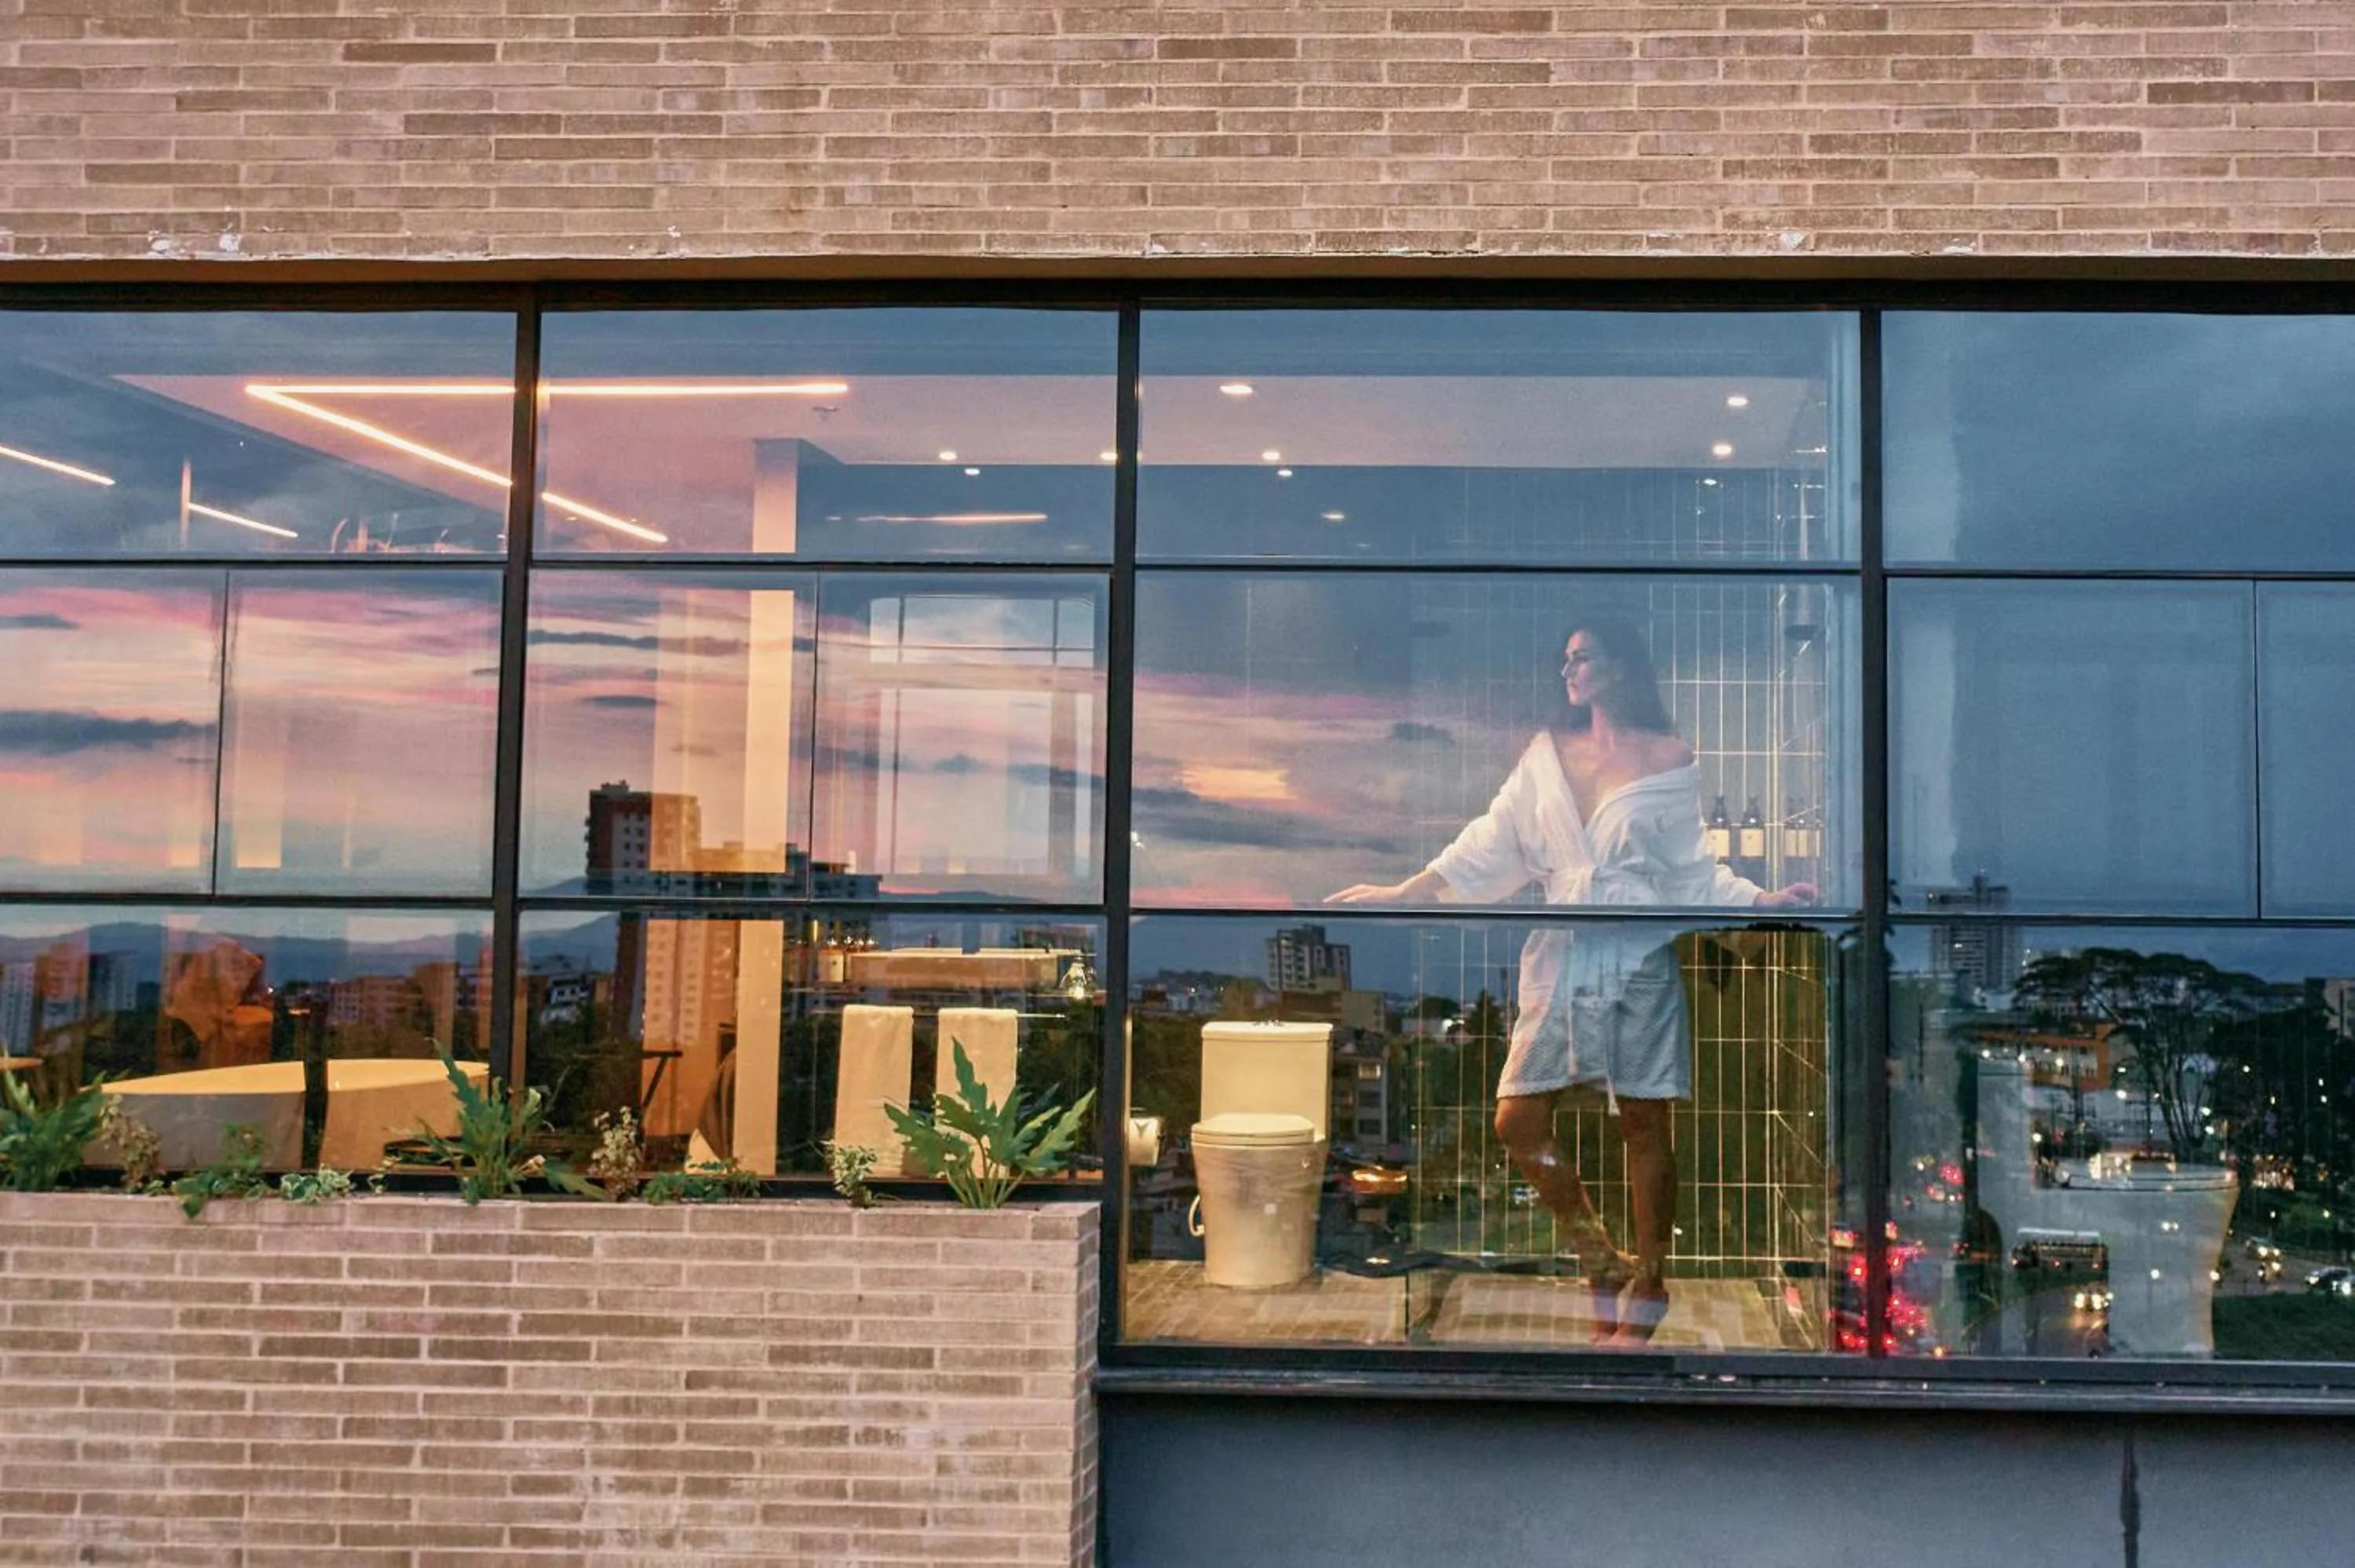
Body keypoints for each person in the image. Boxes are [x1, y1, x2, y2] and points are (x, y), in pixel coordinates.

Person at [1331, 619, 1816, 1344]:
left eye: (1582, 657)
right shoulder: (1545, 756)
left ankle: (1650, 1282)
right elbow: (1490, 841)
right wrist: (1406, 891)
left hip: (1639, 957)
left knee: (1645, 1125)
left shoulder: (1669, 757)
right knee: (1517, 1119)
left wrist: (1759, 902)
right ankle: (1599, 1259)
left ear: (1620, 667)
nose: (1569, 670)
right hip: (1561, 951)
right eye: (1564, 659)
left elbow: (1688, 868)